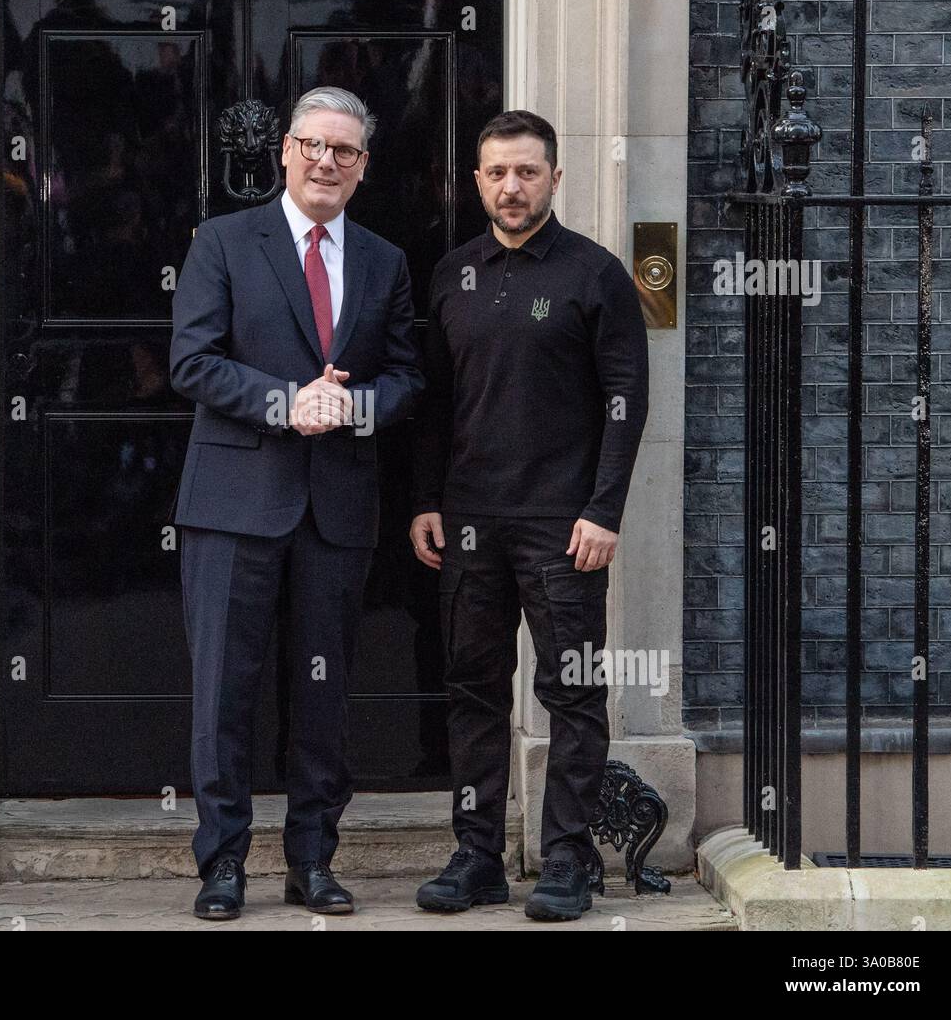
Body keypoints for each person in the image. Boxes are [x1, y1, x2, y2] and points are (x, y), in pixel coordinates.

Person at [170, 86, 423, 919]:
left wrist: (355, 406)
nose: (326, 162)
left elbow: (408, 376)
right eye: (313, 145)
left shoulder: (385, 260)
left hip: (336, 508)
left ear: (362, 167)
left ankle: (312, 859)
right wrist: (288, 401)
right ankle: (223, 863)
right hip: (234, 500)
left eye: (343, 151)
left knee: (324, 691)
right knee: (225, 693)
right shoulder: (223, 241)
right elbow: (193, 362)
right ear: (285, 149)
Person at [409, 110, 649, 921]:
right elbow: (433, 403)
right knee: (474, 688)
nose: (512, 187)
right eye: (497, 173)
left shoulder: (597, 274)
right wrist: (425, 500)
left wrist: (604, 509)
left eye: (527, 172)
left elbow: (626, 402)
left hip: (563, 525)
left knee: (571, 694)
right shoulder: (451, 274)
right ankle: (477, 853)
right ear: (476, 181)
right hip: (470, 520)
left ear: (554, 177)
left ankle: (568, 860)